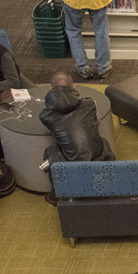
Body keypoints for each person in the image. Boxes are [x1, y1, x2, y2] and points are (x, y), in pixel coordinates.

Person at [39, 72, 116, 205]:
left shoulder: (46, 116)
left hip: (71, 164)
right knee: (103, 141)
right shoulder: (90, 103)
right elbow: (97, 121)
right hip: (98, 157)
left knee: (51, 151)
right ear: (74, 87)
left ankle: (56, 195)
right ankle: (112, 178)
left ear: (51, 90)